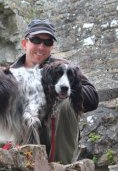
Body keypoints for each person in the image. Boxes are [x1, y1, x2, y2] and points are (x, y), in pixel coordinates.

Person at [10, 19, 99, 164]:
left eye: (48, 42)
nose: (41, 46)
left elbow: (93, 98)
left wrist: (65, 86)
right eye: (36, 40)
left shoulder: (65, 68)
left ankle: (62, 165)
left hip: (53, 132)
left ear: (52, 47)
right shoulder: (10, 74)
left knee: (65, 103)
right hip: (19, 132)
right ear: (24, 43)